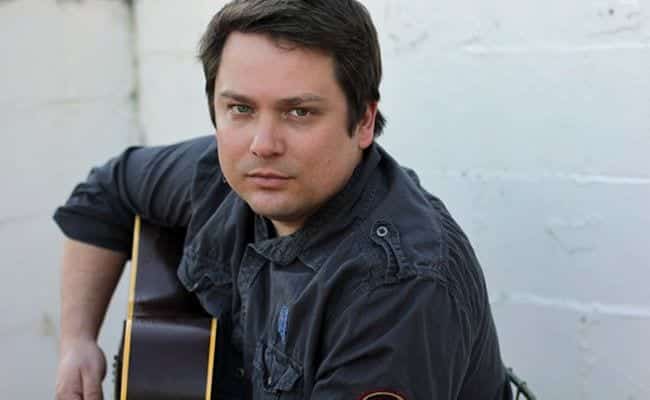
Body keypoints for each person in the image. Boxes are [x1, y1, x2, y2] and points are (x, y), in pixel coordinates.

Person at [54, 0, 512, 399]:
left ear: (364, 121)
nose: (263, 144)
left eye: (299, 112)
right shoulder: (223, 175)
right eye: (241, 109)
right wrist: (77, 341)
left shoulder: (397, 286)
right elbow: (104, 195)